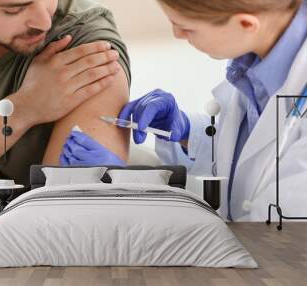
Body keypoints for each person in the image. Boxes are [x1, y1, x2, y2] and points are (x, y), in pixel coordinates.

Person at [62, 0, 307, 221]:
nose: (177, 34)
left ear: (245, 24)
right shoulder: (258, 58)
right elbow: (252, 144)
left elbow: (273, 238)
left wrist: (126, 195)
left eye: (187, 27)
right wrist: (188, 133)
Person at [0, 0, 131, 218]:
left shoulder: (86, 44)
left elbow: (67, 214)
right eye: (16, 8)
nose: (44, 22)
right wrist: (25, 107)